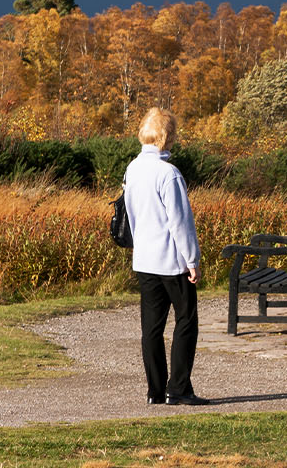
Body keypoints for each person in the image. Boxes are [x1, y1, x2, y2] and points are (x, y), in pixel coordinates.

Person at [124, 108, 209, 406]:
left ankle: (155, 391)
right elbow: (180, 222)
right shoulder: (168, 174)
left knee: (152, 328)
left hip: (144, 258)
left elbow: (131, 216)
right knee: (186, 320)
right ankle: (180, 388)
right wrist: (192, 260)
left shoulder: (132, 169)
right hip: (172, 260)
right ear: (167, 136)